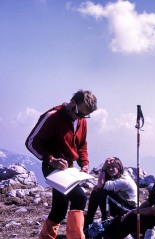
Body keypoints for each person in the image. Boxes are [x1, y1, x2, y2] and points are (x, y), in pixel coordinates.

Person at [25, 90, 98, 239]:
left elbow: (82, 145)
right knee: (80, 198)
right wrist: (51, 159)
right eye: (79, 112)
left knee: (59, 209)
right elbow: (31, 142)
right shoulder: (52, 116)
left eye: (84, 115)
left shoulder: (81, 120)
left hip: (68, 170)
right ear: (73, 102)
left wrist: (84, 163)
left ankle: (46, 237)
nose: (80, 117)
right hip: (52, 168)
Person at [102, 162, 155, 239]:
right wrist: (134, 211)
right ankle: (104, 234)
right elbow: (150, 201)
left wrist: (134, 212)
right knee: (123, 216)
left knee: (131, 219)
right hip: (154, 215)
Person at [84, 157, 137, 229]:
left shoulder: (124, 180)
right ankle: (88, 221)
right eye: (108, 167)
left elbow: (100, 185)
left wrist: (104, 167)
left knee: (103, 193)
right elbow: (99, 186)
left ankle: (105, 221)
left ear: (119, 167)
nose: (110, 169)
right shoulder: (119, 175)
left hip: (129, 210)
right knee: (96, 192)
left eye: (113, 167)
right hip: (121, 204)